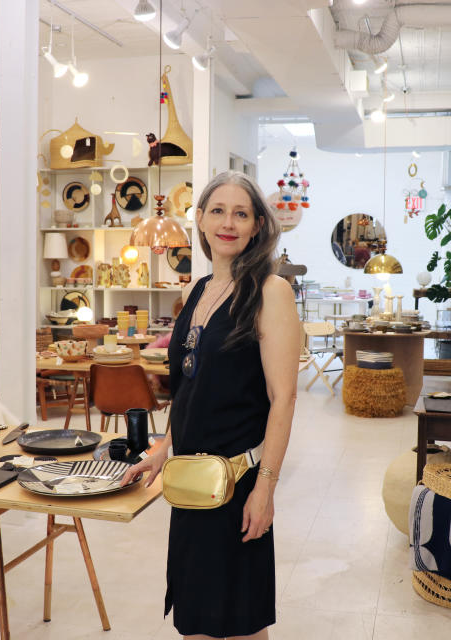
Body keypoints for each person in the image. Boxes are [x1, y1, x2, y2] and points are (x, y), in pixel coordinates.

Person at [121, 170, 298, 639]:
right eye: (217, 211)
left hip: (239, 483)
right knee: (196, 622)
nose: (228, 223)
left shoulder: (271, 293)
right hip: (190, 485)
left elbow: (283, 399)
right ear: (199, 219)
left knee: (241, 624)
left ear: (258, 225)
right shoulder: (193, 292)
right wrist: (161, 451)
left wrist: (266, 491)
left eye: (241, 213)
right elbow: (189, 390)